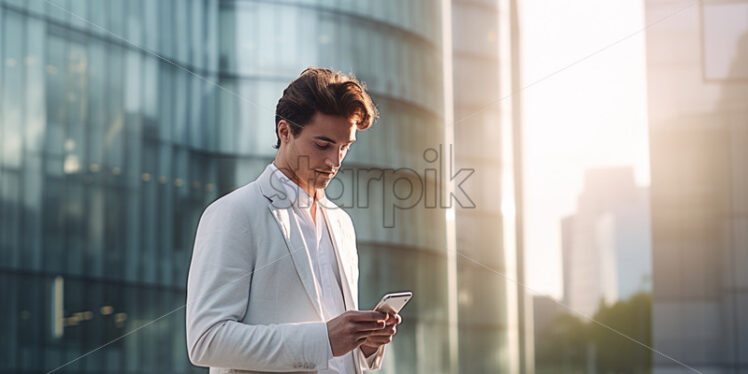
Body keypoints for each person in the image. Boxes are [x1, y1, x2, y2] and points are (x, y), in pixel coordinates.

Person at [186, 67, 401, 374]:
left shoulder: (341, 223)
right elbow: (206, 341)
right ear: (284, 131)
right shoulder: (234, 213)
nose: (334, 162)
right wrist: (323, 339)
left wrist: (365, 343)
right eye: (323, 145)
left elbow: (337, 356)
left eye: (345, 147)